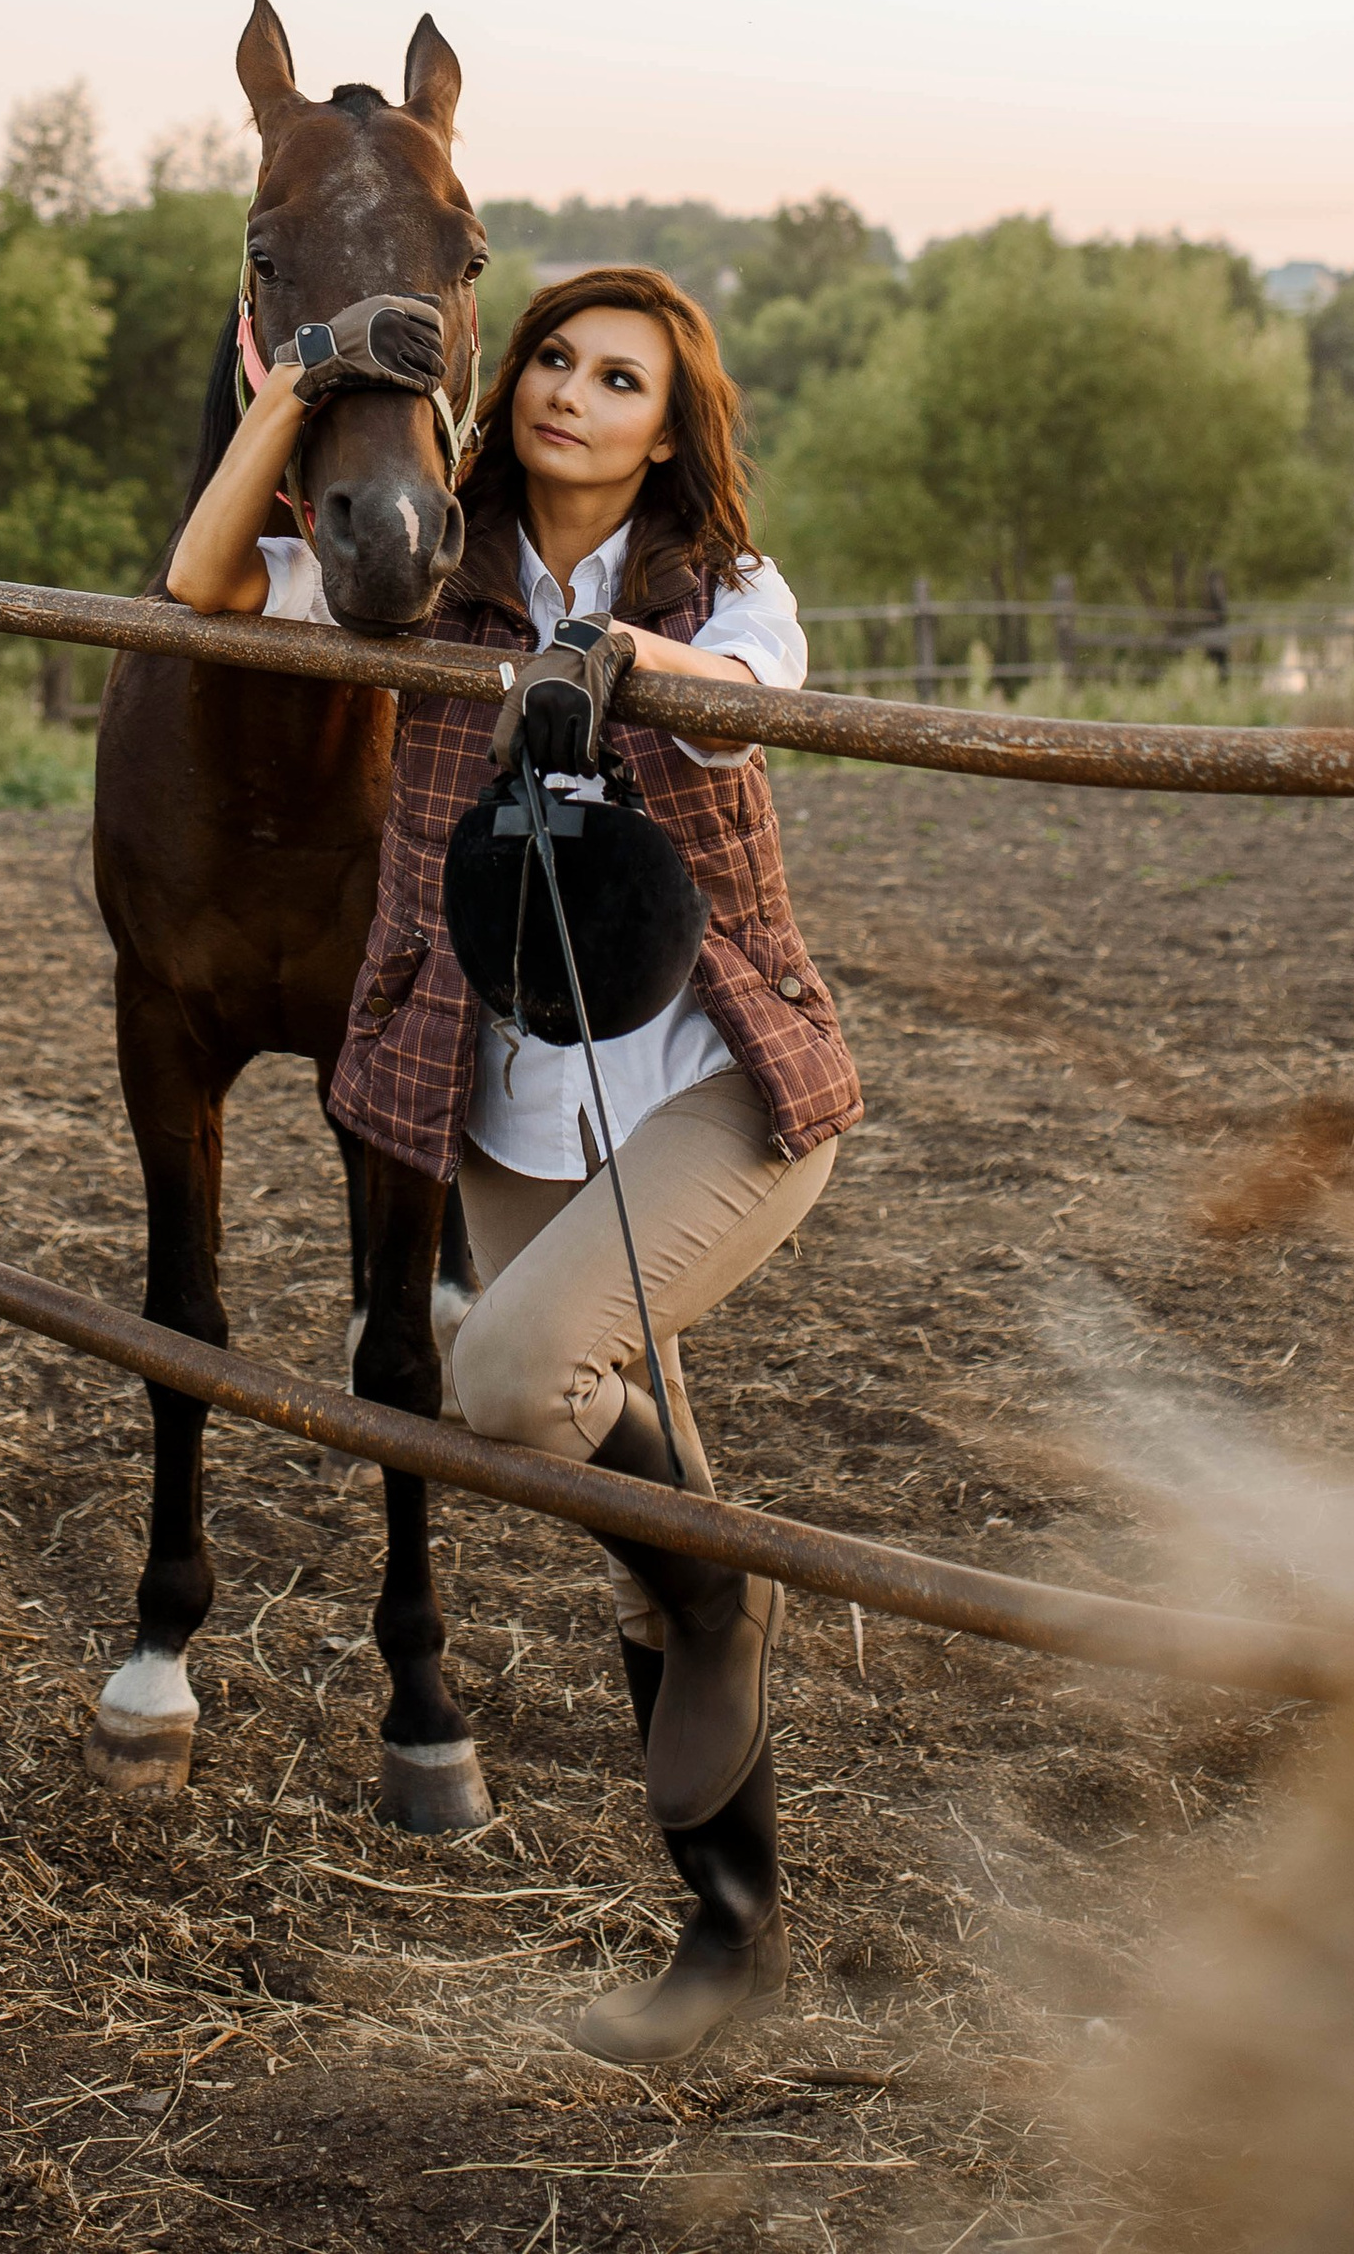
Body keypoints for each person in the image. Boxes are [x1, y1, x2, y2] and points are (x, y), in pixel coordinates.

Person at [168, 263, 861, 2064]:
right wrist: (297, 385)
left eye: (616, 377)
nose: (569, 392)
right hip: (514, 1098)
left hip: (713, 1085)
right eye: (550, 357)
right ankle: (730, 1943)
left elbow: (750, 696)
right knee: (630, 1512)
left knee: (512, 1374)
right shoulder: (428, 578)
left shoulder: (730, 592)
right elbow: (201, 585)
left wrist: (617, 661)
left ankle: (730, 1578)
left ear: (668, 424)